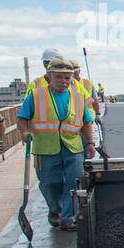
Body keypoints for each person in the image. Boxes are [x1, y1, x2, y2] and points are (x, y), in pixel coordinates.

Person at [16, 59, 96, 232]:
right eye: (59, 77)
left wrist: (90, 143)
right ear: (49, 77)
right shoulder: (36, 96)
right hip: (45, 148)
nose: (64, 81)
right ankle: (56, 209)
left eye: (67, 78)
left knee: (74, 183)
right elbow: (22, 118)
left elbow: (86, 122)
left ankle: (68, 218)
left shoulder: (78, 97)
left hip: (73, 147)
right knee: (49, 184)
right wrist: (24, 131)